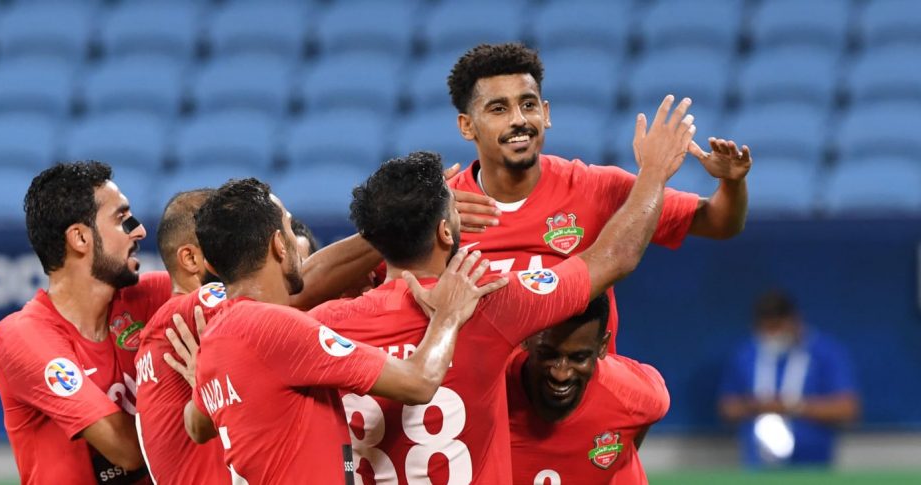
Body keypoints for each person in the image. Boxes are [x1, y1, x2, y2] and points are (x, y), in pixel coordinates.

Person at [308, 94, 695, 484]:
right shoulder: (491, 306)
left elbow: (292, 293)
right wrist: (653, 173)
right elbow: (615, 258)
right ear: (446, 232)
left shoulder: (323, 328)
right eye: (454, 207)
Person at [182, 178, 508, 484]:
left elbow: (197, 426)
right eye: (288, 226)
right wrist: (448, 315)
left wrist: (203, 378)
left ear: (211, 265)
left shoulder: (214, 340)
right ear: (279, 244)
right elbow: (419, 382)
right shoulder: (278, 329)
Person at [444, 42, 752, 353]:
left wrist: (732, 182)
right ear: (467, 126)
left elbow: (719, 222)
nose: (519, 119)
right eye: (499, 109)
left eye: (528, 104)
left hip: (576, 381)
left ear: (546, 113)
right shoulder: (444, 207)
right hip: (480, 383)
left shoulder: (594, 187)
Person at [134, 189, 397, 484]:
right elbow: (293, 294)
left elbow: (198, 426)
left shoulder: (190, 332)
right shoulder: (192, 311)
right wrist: (399, 223)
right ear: (192, 258)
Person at [0, 161, 172, 484]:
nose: (140, 230)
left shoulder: (150, 297)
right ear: (80, 238)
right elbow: (126, 449)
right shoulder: (22, 336)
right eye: (122, 220)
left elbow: (247, 301)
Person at [507, 294, 669, 485]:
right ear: (525, 339)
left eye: (579, 358)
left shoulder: (634, 393)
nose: (561, 374)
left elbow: (646, 411)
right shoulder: (492, 389)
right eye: (548, 354)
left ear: (602, 347)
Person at [719, 290, 859, 467]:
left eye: (777, 327)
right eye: (766, 329)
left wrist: (794, 407)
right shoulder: (746, 355)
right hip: (759, 465)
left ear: (794, 321)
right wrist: (758, 406)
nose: (772, 334)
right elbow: (727, 408)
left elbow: (847, 408)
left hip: (813, 465)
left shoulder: (825, 352)